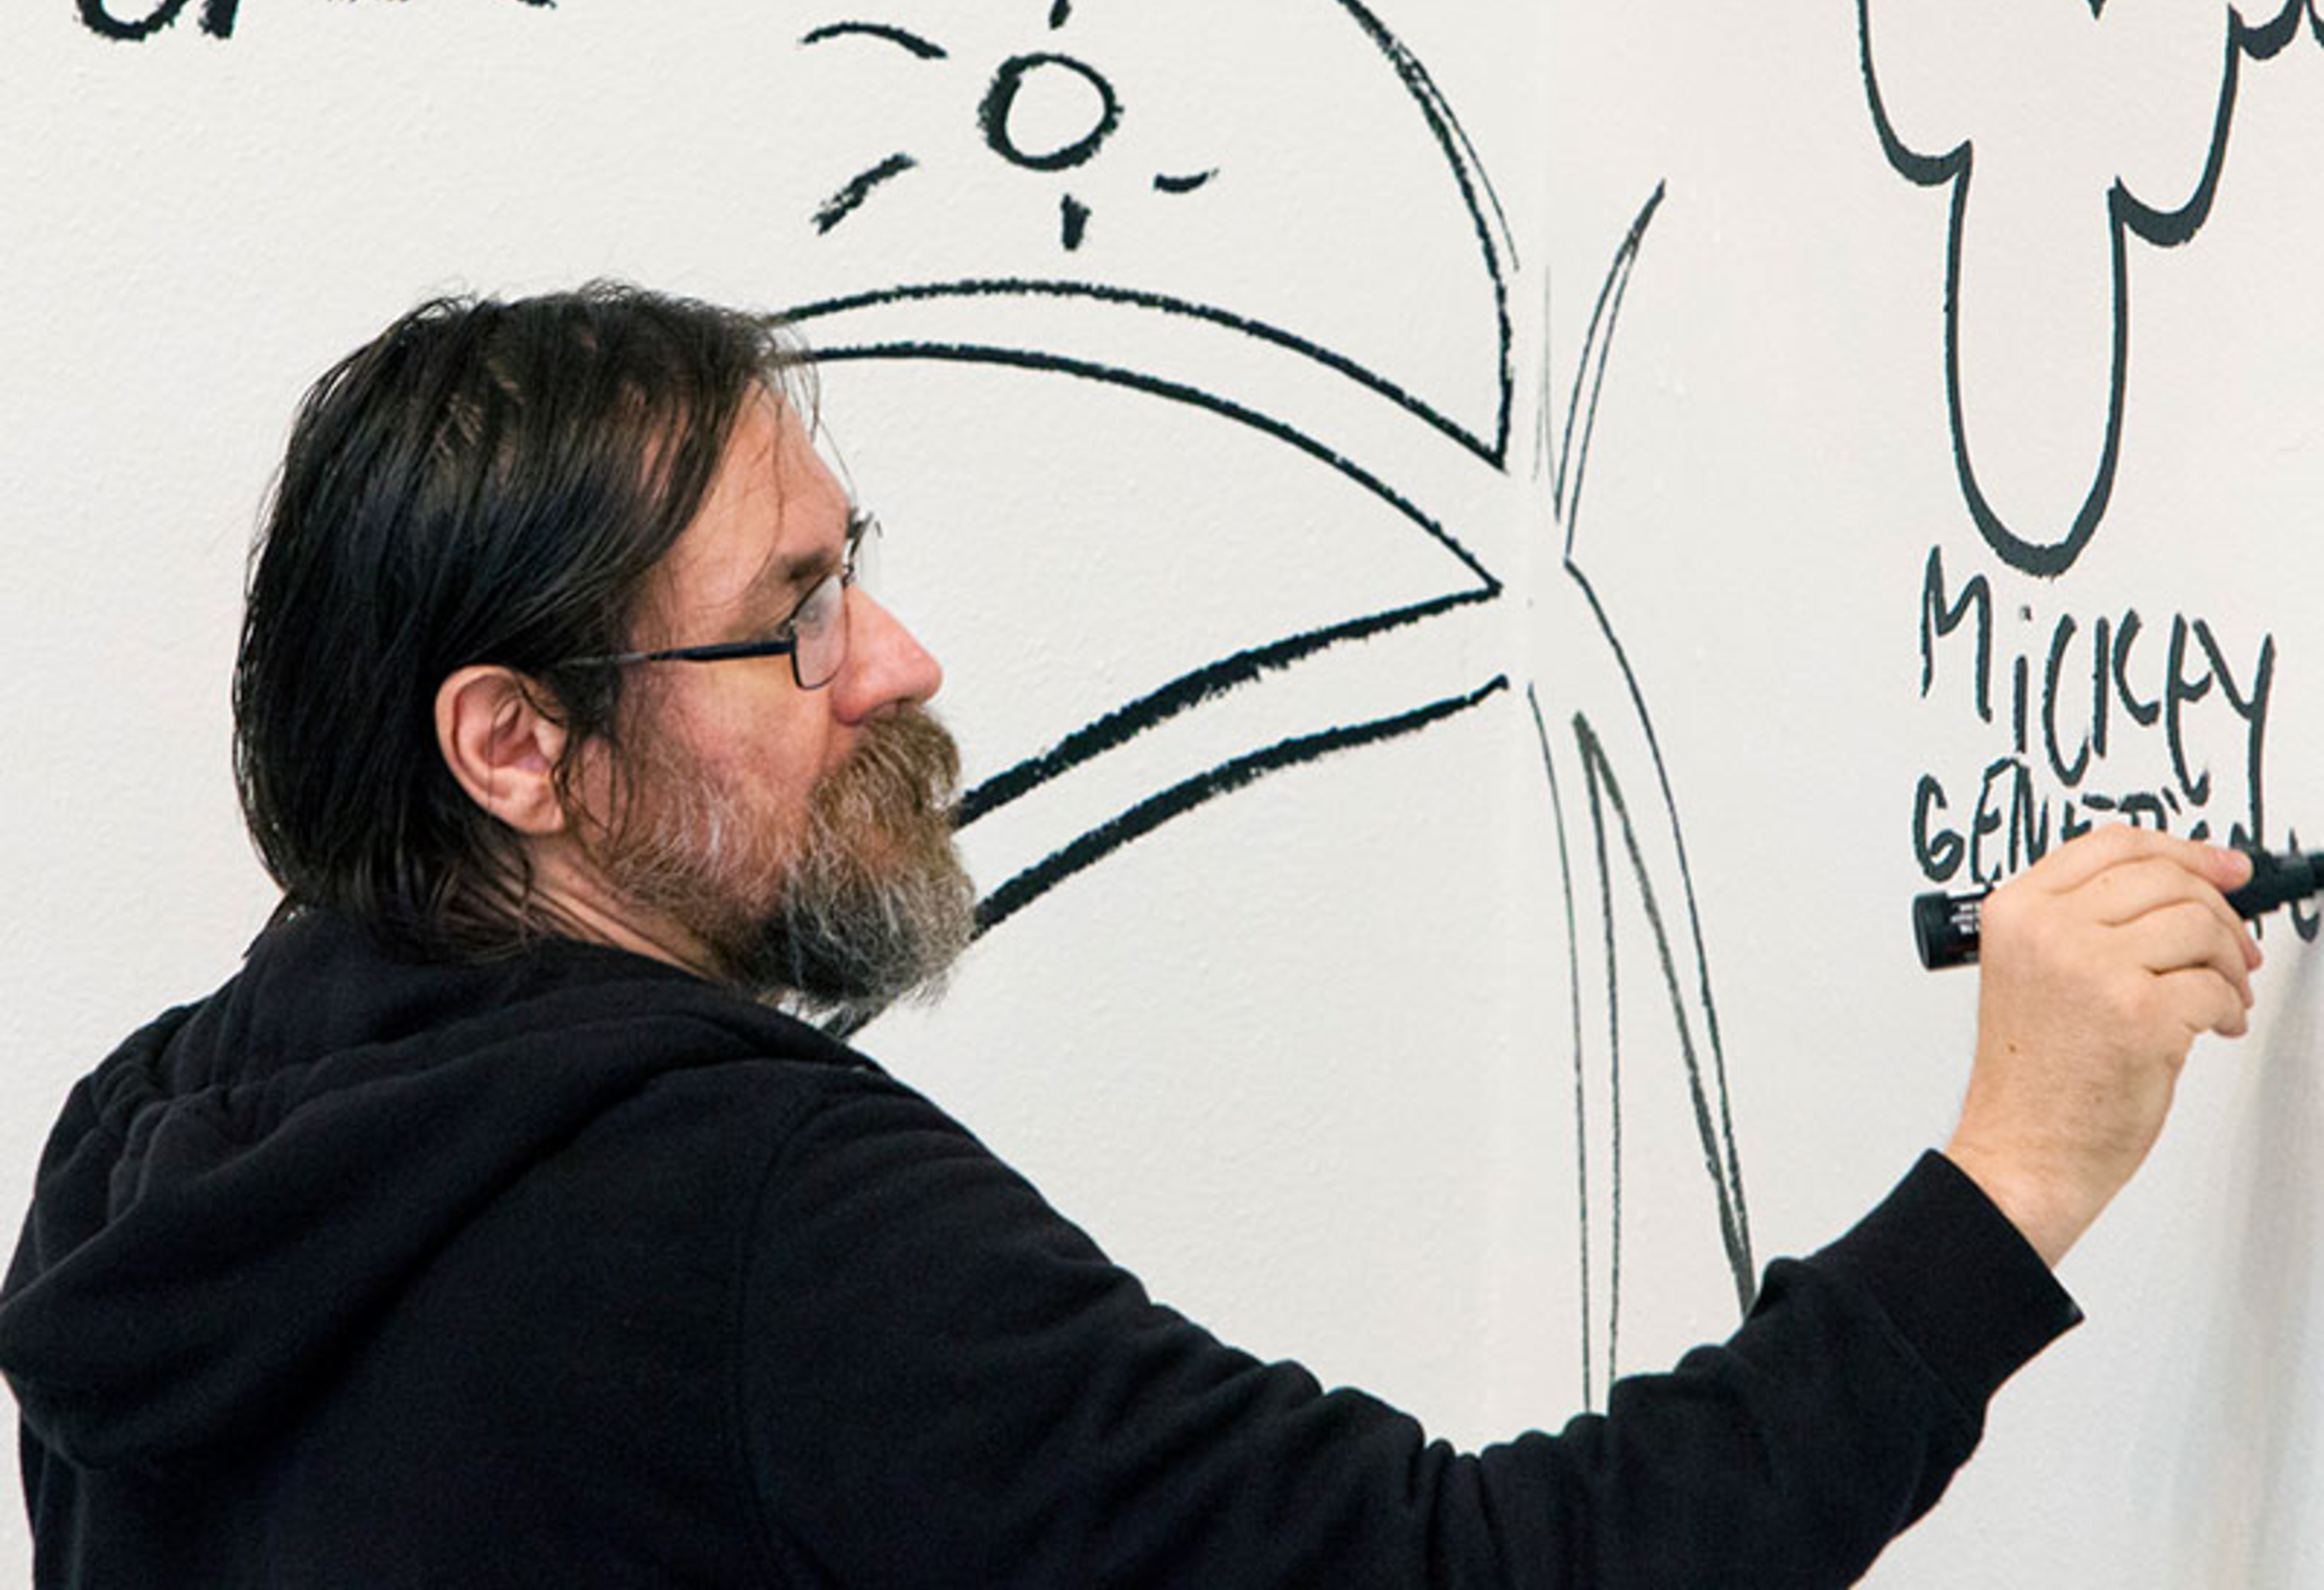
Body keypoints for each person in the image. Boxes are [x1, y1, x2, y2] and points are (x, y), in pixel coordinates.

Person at [0, 284, 2263, 1589]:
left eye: (852, 569)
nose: (895, 662)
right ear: (520, 746)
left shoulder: (145, 1150)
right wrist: (2012, 1179)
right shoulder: (740, 1214)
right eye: (792, 618)